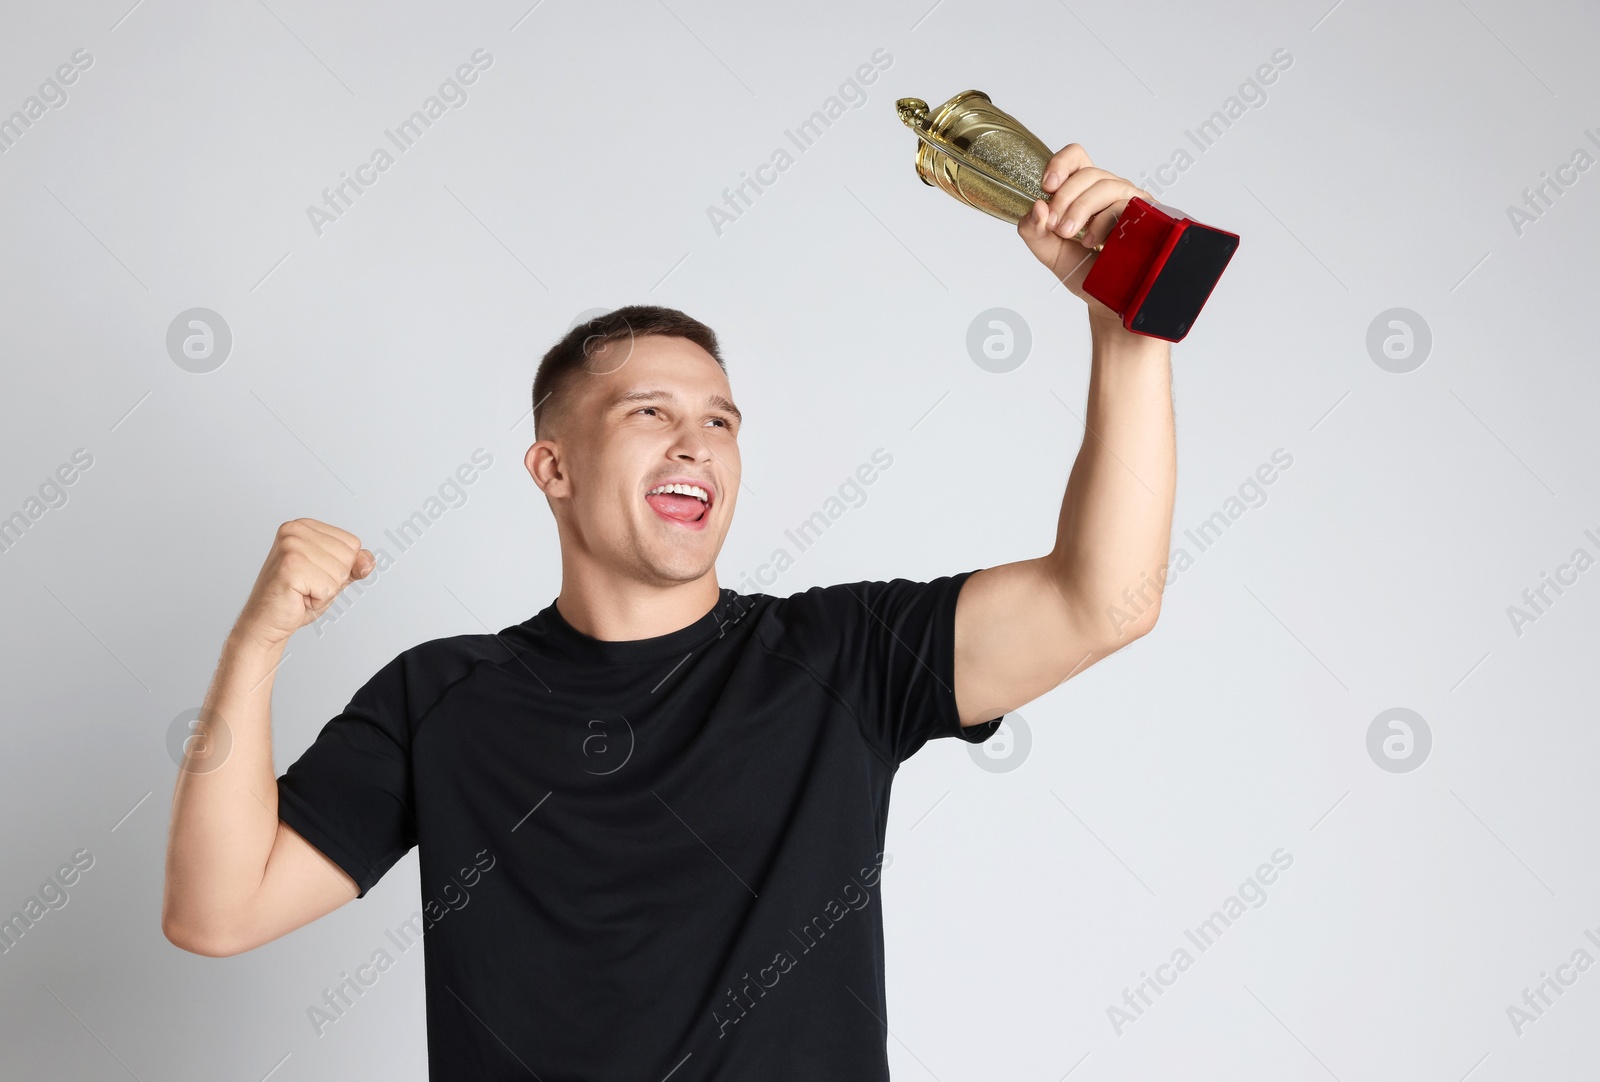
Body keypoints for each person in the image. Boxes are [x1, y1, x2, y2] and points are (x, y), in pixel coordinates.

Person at [161, 144, 1177, 1080]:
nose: (695, 442)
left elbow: (1104, 599)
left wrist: (1125, 322)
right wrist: (255, 644)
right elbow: (216, 909)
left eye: (719, 420)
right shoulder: (442, 696)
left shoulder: (840, 655)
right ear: (551, 467)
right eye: (650, 411)